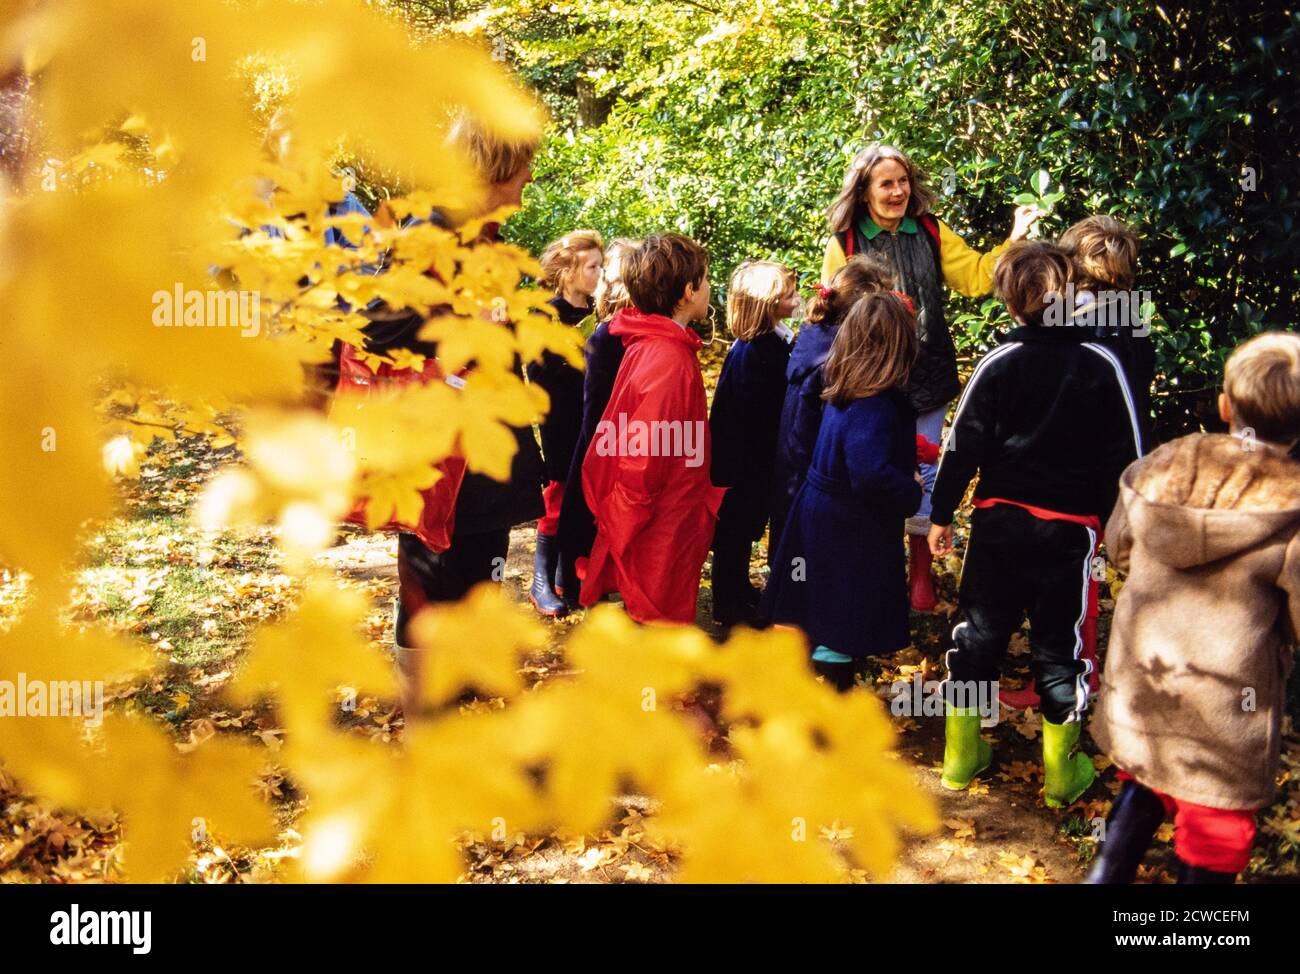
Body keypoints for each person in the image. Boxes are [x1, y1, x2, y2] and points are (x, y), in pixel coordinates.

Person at [335, 113, 544, 715]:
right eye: (523, 162)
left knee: (476, 579)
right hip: (438, 457)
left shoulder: (481, 237)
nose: (530, 176)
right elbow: (372, 322)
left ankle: (458, 706)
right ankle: (427, 724)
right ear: (495, 166)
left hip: (477, 453)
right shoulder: (430, 236)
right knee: (431, 586)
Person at [928, 241, 1143, 805]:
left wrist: (940, 513)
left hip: (998, 524)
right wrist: (1121, 523)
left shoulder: (998, 362)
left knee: (978, 635)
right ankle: (1059, 773)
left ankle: (960, 755)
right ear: (1070, 295)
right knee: (1058, 644)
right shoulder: (1102, 363)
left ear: (1009, 302)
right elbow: (1129, 455)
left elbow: (960, 446)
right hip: (1069, 532)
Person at [1087, 332, 1300, 884]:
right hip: (1227, 711)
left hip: (1146, 682)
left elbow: (1120, 545)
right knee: (1216, 827)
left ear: (1226, 406)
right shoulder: (1292, 506)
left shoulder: (1168, 464)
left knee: (1145, 783)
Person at [823, 143, 1044, 611]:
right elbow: (834, 314)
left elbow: (977, 278)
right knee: (877, 471)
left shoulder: (929, 229)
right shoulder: (843, 243)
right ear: (864, 191)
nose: (898, 191)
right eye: (886, 183)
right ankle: (877, 573)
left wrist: (1016, 236)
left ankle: (919, 573)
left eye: (903, 181)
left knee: (924, 467)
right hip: (872, 381)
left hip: (928, 370)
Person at [1001, 215, 1147, 711]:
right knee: (1092, 574)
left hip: (1075, 472)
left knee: (1074, 580)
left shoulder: (1077, 322)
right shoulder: (1134, 318)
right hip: (1118, 466)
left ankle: (1067, 679)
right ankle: (1085, 670)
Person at [763, 293, 922, 690]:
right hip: (849, 524)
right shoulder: (875, 405)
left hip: (826, 511)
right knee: (840, 609)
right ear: (899, 348)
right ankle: (833, 697)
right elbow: (869, 473)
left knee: (819, 600)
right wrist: (910, 489)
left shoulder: (848, 389)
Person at [578, 233, 724, 623]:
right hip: (662, 518)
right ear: (689, 291)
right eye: (706, 279)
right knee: (658, 612)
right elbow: (646, 447)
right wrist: (629, 515)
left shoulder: (657, 345)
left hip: (669, 508)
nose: (709, 287)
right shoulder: (666, 358)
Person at [769, 253, 899, 561]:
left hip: (796, 478)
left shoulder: (814, 342)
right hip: (816, 485)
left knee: (796, 564)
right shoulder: (838, 364)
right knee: (810, 572)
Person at [708, 260, 800, 626]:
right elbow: (753, 412)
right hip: (742, 461)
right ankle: (726, 603)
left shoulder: (773, 342)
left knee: (744, 528)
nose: (797, 297)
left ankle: (739, 588)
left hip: (754, 458)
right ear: (767, 302)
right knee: (734, 531)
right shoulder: (755, 352)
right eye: (788, 293)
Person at [555, 237, 641, 604]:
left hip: (625, 448)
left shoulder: (632, 331)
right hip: (604, 450)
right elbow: (597, 412)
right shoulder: (607, 336)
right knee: (591, 529)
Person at [527, 230, 604, 616]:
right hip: (559, 417)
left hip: (593, 416)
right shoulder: (544, 314)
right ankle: (541, 578)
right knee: (558, 495)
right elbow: (539, 373)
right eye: (592, 267)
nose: (599, 273)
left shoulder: (599, 310)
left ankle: (567, 574)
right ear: (568, 271)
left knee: (586, 495)